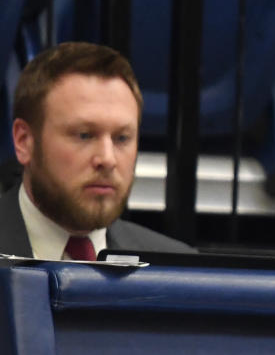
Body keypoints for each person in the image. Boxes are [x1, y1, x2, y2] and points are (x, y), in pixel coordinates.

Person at [0, 42, 193, 260]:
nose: (108, 159)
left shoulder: (177, 270)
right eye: (84, 135)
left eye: (121, 138)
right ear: (24, 141)